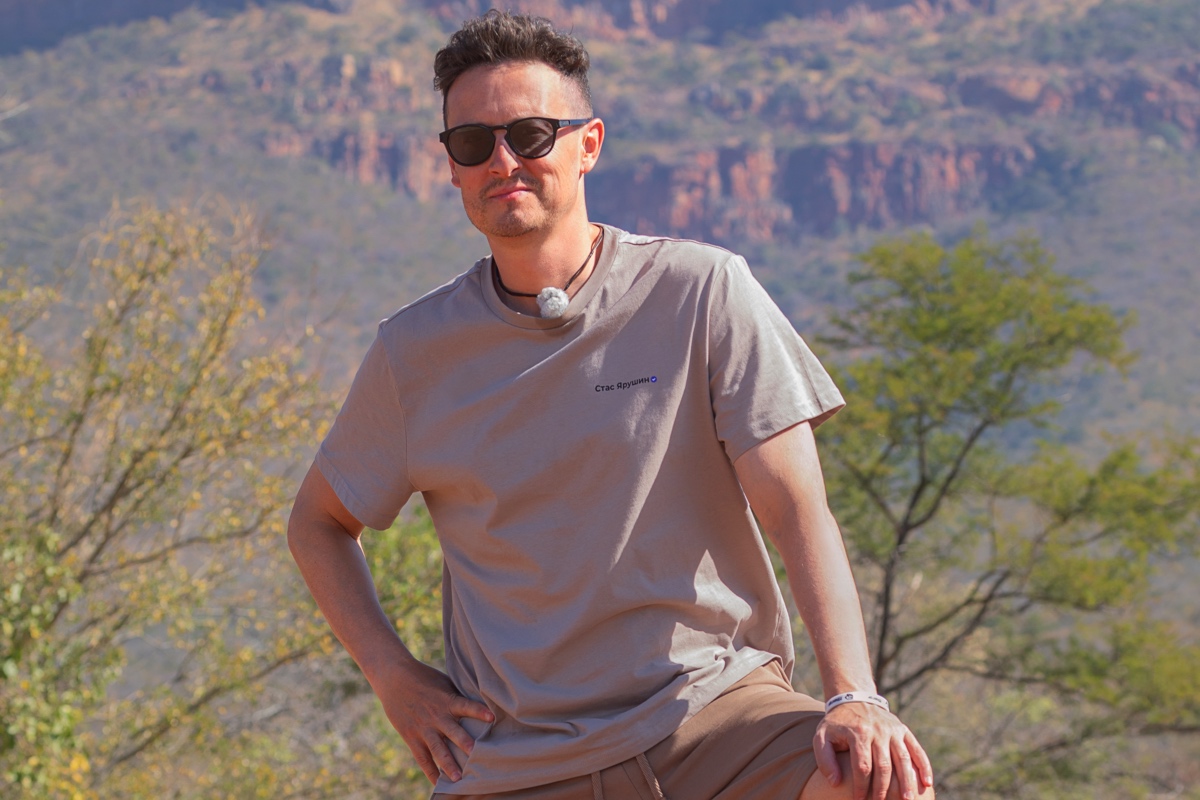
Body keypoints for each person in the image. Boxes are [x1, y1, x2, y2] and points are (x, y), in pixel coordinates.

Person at [287, 10, 935, 800]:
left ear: (588, 144)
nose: (503, 161)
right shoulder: (413, 353)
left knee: (881, 782)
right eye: (474, 142)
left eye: (531, 135)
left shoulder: (701, 291)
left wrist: (855, 695)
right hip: (516, 759)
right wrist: (392, 676)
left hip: (714, 719)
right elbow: (318, 523)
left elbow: (796, 508)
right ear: (452, 166)